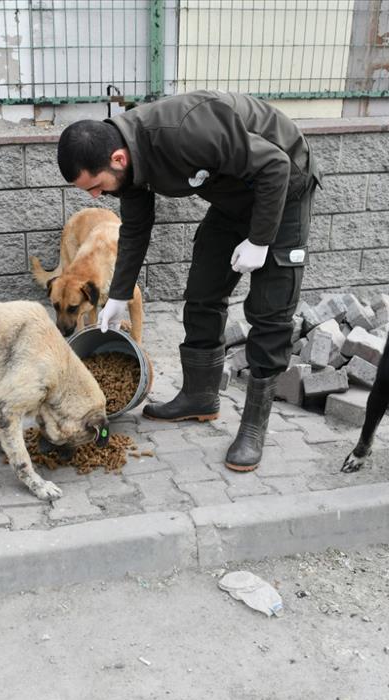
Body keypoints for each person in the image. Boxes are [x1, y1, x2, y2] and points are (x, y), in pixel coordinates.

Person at [57, 90, 318, 472]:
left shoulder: (185, 131)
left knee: (269, 311)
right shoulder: (126, 159)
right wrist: (116, 296)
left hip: (284, 185)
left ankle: (253, 427)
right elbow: (135, 228)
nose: (96, 196)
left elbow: (274, 166)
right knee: (202, 290)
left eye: (96, 185)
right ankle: (200, 396)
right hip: (235, 198)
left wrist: (261, 241)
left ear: (117, 159)